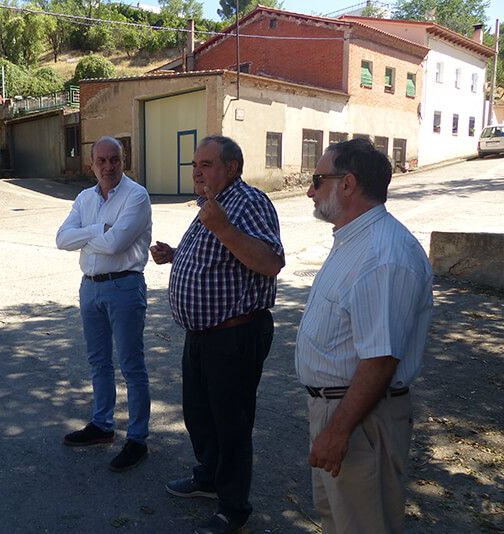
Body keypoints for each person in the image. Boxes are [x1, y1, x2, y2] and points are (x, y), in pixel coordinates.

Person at [296, 138, 433, 534]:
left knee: (364, 524)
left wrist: (338, 430)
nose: (309, 190)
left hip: (359, 420)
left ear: (348, 184)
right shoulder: (354, 240)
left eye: (317, 179)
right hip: (339, 411)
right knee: (339, 521)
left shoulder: (382, 256)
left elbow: (381, 360)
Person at [153, 135, 284, 534]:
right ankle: (208, 478)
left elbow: (270, 262)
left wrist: (224, 229)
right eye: (195, 164)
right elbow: (221, 259)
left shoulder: (249, 202)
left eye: (206, 164)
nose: (196, 171)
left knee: (231, 423)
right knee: (199, 415)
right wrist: (177, 255)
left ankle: (233, 506)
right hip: (202, 336)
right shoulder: (211, 206)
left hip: (235, 336)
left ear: (232, 167)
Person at [56, 136, 152, 472]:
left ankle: (137, 439)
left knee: (131, 365)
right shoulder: (85, 198)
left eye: (115, 159)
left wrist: (87, 236)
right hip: (90, 288)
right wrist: (98, 228)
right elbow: (61, 239)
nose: (108, 167)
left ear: (123, 160)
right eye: (102, 160)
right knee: (98, 361)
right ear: (91, 163)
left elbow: (116, 245)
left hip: (124, 287)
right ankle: (102, 425)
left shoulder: (136, 196)